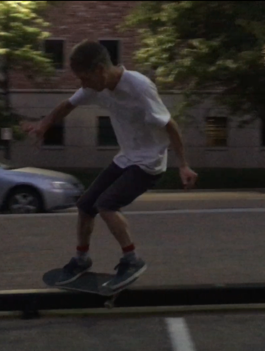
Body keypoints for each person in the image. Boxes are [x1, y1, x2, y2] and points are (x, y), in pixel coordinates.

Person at [21, 40, 198, 291]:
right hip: (126, 158)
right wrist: (44, 124)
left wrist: (183, 165)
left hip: (149, 162)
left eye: (85, 78)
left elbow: (171, 125)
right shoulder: (97, 87)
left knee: (106, 205)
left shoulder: (139, 87)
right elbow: (67, 105)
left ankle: (132, 259)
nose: (83, 85)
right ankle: (81, 259)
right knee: (85, 205)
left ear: (100, 70)